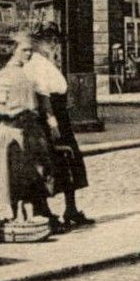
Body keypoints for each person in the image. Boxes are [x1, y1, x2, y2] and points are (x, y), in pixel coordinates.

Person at [26, 26, 92, 230]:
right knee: (56, 162)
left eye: (55, 41)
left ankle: (71, 209)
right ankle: (44, 211)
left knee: (69, 161)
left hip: (60, 116)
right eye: (51, 41)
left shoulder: (47, 62)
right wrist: (52, 123)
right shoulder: (37, 64)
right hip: (52, 118)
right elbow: (44, 98)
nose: (54, 45)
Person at [0, 32, 57, 226]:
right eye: (24, 50)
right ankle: (17, 215)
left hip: (30, 128)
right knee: (13, 174)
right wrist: (14, 112)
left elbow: (40, 100)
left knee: (34, 173)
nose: (28, 54)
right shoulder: (3, 75)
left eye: (30, 50)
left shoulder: (28, 73)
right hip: (13, 128)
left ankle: (33, 214)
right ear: (13, 51)